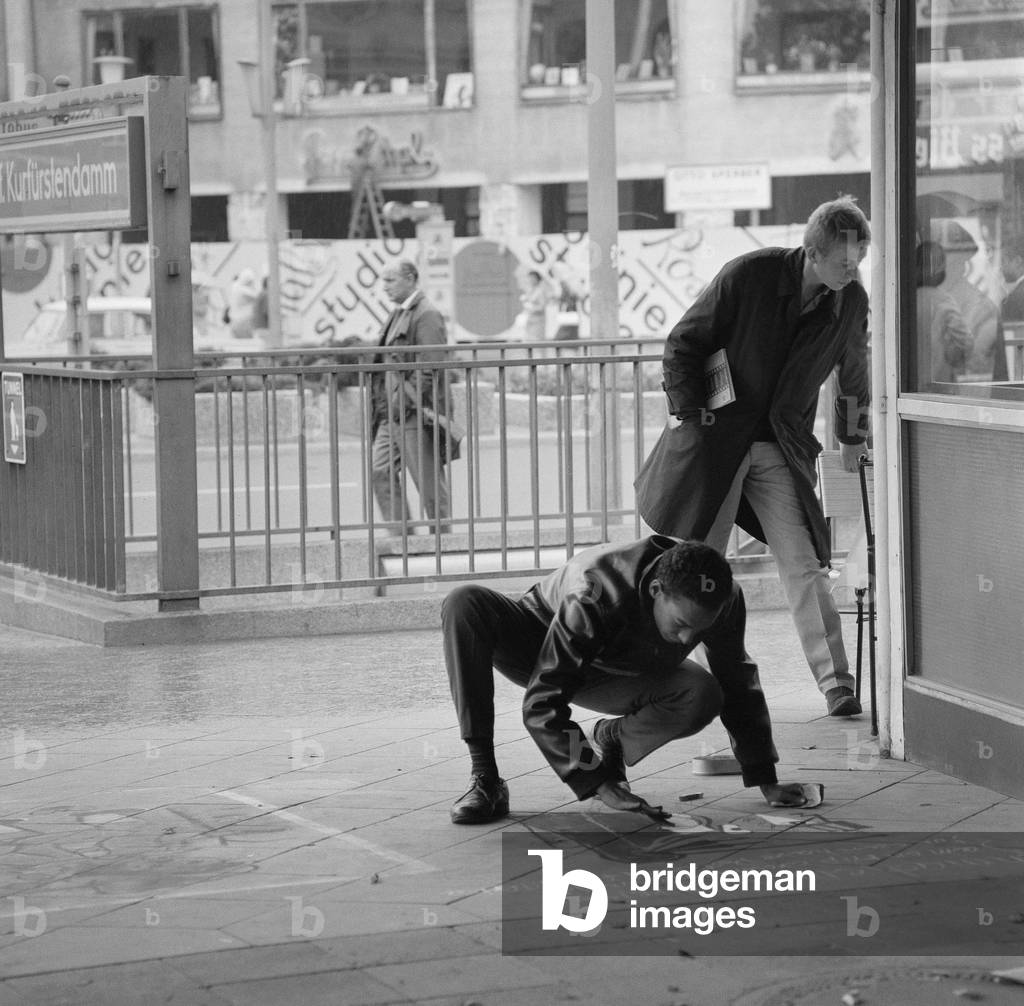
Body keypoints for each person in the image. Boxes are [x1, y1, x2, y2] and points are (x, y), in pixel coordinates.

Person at [634, 196, 871, 718]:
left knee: (804, 564)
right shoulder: (749, 275)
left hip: (779, 448)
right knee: (697, 567)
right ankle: (667, 676)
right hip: (716, 443)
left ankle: (837, 684)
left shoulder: (850, 300)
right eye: (844, 260)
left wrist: (853, 437)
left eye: (860, 259)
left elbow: (853, 373)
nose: (854, 270)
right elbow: (683, 344)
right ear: (812, 251)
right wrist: (693, 418)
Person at [441, 536, 813, 825]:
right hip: (542, 644)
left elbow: (737, 678)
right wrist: (598, 783)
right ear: (656, 592)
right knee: (464, 602)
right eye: (681, 625)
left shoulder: (724, 599)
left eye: (699, 630)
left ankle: (611, 737)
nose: (687, 640)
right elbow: (543, 703)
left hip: (619, 668)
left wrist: (765, 776)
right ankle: (486, 779)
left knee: (703, 693)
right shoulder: (596, 592)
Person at [370, 259, 451, 532]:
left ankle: (444, 543)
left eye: (390, 280)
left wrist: (408, 402)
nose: (385, 287)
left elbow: (430, 367)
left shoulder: (426, 313)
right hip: (392, 413)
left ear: (410, 278)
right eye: (383, 281)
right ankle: (403, 538)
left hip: (414, 412)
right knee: (380, 470)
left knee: (428, 483)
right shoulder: (399, 313)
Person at [916, 240, 974, 385]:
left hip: (906, 386)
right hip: (939, 385)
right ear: (940, 268)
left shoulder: (903, 299)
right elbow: (966, 342)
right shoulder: (941, 300)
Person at [227, 268, 260, 340]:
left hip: (238, 322)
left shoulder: (236, 287)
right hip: (242, 323)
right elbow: (256, 296)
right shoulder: (240, 289)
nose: (252, 283)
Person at [519, 270, 551, 341]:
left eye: (532, 278)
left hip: (538, 321)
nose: (530, 280)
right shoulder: (530, 290)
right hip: (529, 320)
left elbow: (542, 307)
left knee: (536, 342)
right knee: (527, 341)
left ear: (537, 279)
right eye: (529, 278)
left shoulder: (541, 291)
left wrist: (531, 308)